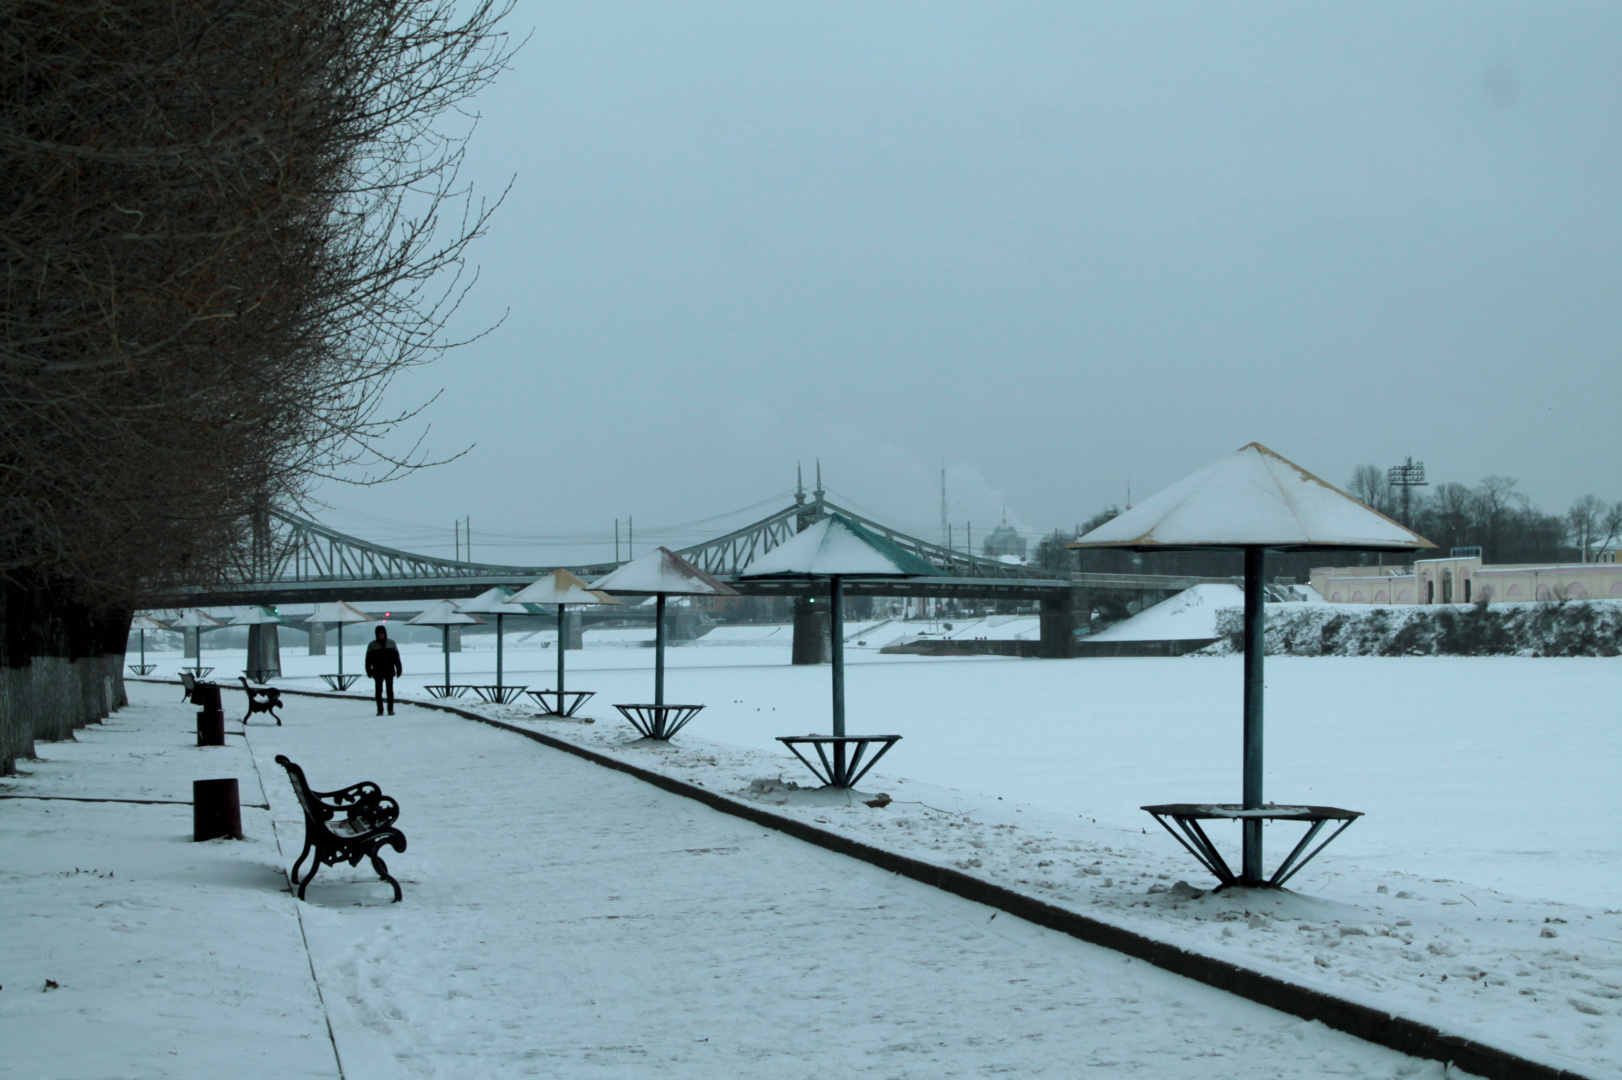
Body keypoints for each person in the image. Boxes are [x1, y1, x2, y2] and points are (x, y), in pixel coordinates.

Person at [365, 624, 403, 715]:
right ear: (376, 634)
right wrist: (368, 670)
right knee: (378, 692)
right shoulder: (372, 645)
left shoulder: (392, 643)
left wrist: (399, 669)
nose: (381, 634)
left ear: (385, 633)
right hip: (377, 671)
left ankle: (390, 709)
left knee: (390, 691)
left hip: (389, 670)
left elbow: (397, 658)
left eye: (382, 633)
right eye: (379, 633)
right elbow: (368, 660)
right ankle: (380, 710)